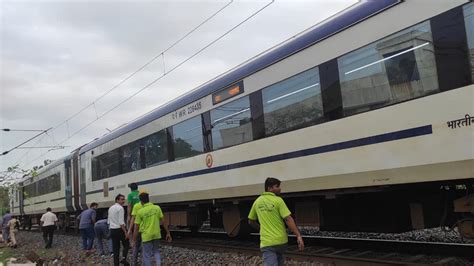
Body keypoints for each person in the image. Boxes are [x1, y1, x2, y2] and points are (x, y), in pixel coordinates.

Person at [248, 177, 304, 266]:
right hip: (281, 242)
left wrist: (260, 228)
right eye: (277, 186)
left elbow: (251, 221)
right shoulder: (278, 201)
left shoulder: (257, 202)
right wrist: (298, 235)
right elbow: (288, 219)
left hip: (267, 243)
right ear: (269, 188)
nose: (279, 188)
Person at [132, 192, 172, 266]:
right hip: (156, 234)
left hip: (146, 236)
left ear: (141, 201)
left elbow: (136, 228)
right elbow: (163, 222)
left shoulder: (140, 212)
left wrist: (134, 240)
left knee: (147, 255)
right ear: (148, 199)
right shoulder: (157, 208)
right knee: (156, 251)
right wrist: (168, 233)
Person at [109, 194, 130, 266]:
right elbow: (121, 222)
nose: (123, 201)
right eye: (122, 199)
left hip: (112, 230)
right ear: (117, 200)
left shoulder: (111, 208)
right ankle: (123, 259)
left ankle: (116, 264)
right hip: (119, 230)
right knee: (126, 244)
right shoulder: (120, 208)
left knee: (116, 249)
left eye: (124, 199)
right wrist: (126, 232)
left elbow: (108, 221)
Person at [129, 201, 143, 266]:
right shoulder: (150, 206)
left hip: (137, 229)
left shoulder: (136, 206)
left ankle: (134, 263)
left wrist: (129, 229)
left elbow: (133, 218)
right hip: (145, 230)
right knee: (144, 248)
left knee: (135, 246)